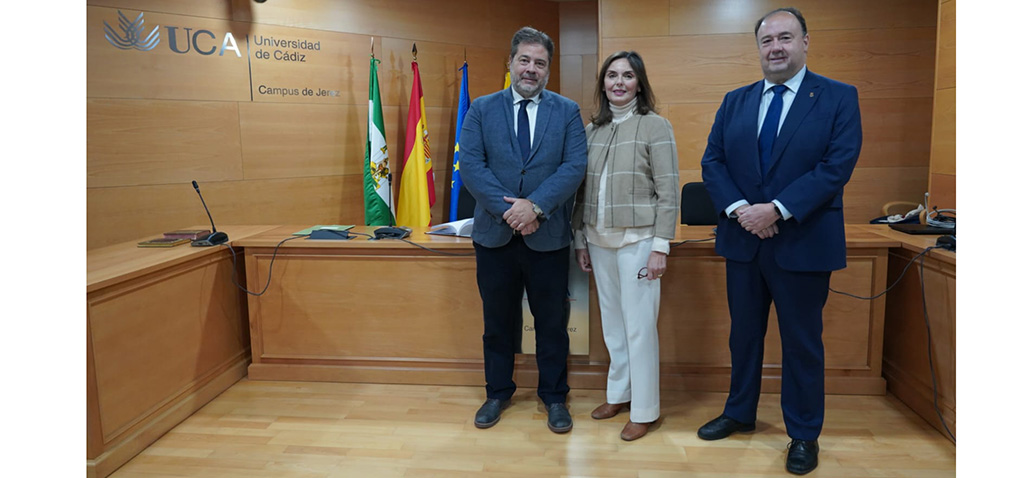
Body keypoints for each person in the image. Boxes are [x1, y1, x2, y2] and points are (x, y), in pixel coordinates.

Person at [697, 7, 862, 475]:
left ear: (806, 41)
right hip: (743, 242)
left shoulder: (837, 97)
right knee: (743, 337)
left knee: (802, 343)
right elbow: (713, 162)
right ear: (758, 48)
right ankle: (739, 412)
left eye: (785, 38)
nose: (776, 48)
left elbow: (837, 166)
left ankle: (804, 433)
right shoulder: (735, 100)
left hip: (804, 242)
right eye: (767, 41)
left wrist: (777, 209)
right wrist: (741, 212)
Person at [459, 26, 588, 434]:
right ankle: (497, 391)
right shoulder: (480, 109)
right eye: (525, 60)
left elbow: (574, 167)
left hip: (547, 236)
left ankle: (554, 396)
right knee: (497, 321)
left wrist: (536, 207)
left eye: (540, 63)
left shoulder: (566, 111)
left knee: (552, 322)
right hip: (495, 238)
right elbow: (473, 167)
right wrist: (511, 212)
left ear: (548, 70)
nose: (531, 69)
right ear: (510, 63)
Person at [571, 51, 678, 441]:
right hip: (597, 240)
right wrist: (581, 238)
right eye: (612, 75)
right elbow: (581, 191)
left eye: (627, 75)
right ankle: (619, 393)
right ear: (602, 83)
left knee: (639, 328)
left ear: (639, 82)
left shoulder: (656, 126)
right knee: (613, 326)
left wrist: (660, 246)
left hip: (640, 240)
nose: (619, 82)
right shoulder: (590, 130)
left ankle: (646, 408)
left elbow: (668, 192)